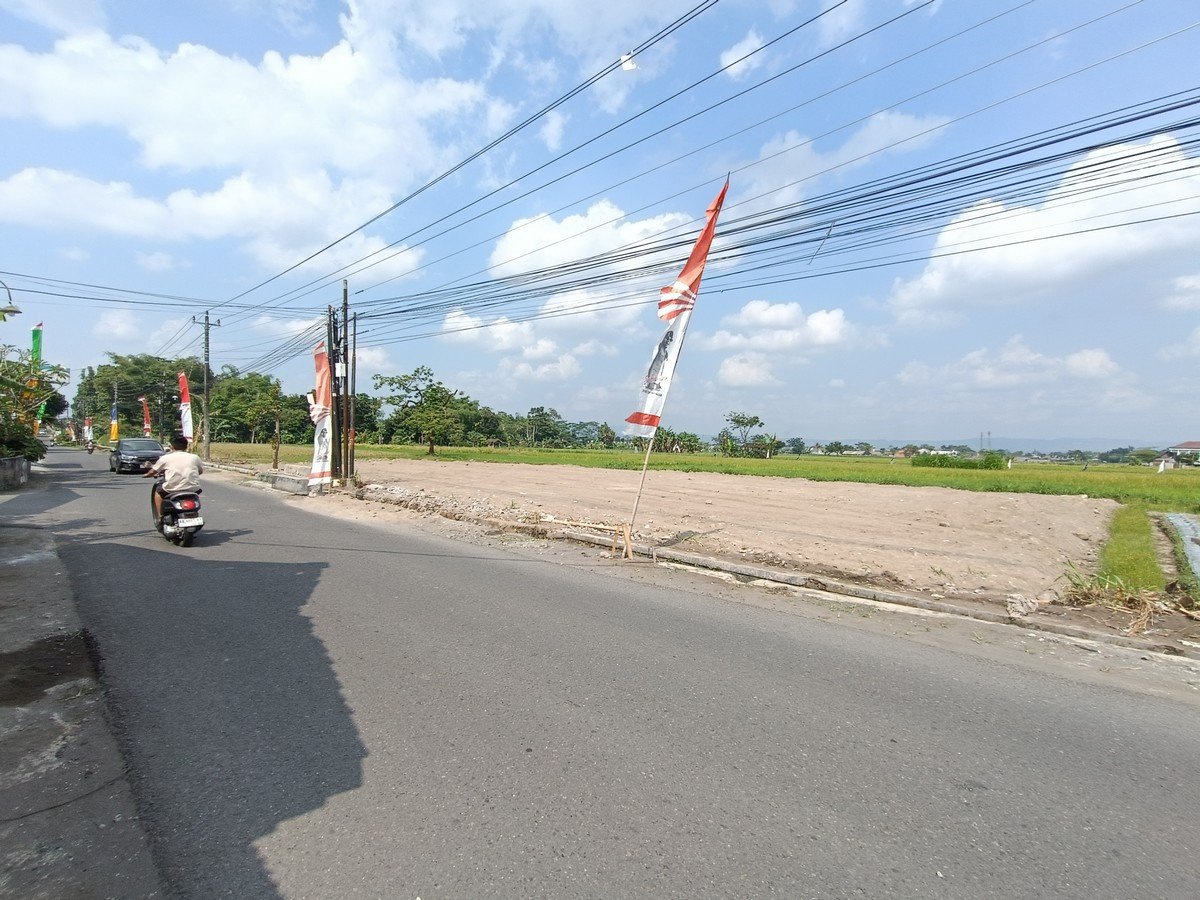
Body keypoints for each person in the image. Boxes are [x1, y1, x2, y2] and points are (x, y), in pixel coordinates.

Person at [144, 435, 204, 521]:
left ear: (171, 446)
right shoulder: (195, 457)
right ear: (186, 446)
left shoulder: (165, 458)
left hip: (172, 488)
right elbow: (200, 471)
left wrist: (147, 475)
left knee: (158, 492)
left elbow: (153, 471)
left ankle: (160, 516)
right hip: (193, 489)